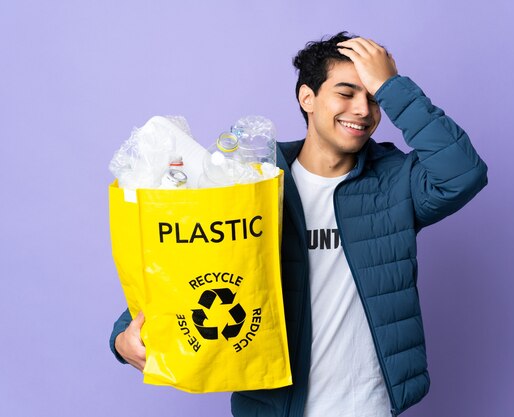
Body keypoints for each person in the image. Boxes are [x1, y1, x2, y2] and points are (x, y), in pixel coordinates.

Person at [110, 31, 488, 416]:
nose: (362, 109)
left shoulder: (396, 182)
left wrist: (392, 86)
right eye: (346, 92)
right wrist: (123, 335)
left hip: (370, 405)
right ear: (307, 97)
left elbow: (463, 174)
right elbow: (186, 264)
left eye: (373, 98)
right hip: (276, 405)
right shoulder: (250, 182)